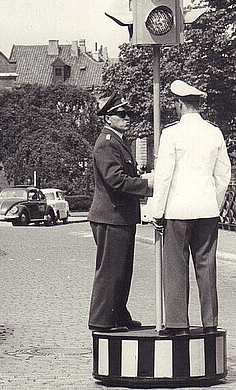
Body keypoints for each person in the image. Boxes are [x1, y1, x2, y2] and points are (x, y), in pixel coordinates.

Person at [151, 80, 231, 336]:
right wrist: (214, 203)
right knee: (207, 266)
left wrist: (157, 211)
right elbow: (224, 175)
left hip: (177, 211)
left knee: (176, 267)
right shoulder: (214, 132)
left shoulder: (172, 133)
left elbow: (164, 176)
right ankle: (210, 323)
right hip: (207, 210)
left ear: (181, 104)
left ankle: (177, 324)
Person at [88, 92, 154, 332]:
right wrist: (147, 185)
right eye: (121, 114)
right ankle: (103, 321)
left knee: (122, 270)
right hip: (111, 217)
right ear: (108, 117)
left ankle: (118, 315)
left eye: (129, 114)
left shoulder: (116, 141)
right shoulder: (106, 142)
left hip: (119, 216)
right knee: (111, 271)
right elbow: (116, 180)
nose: (127, 118)